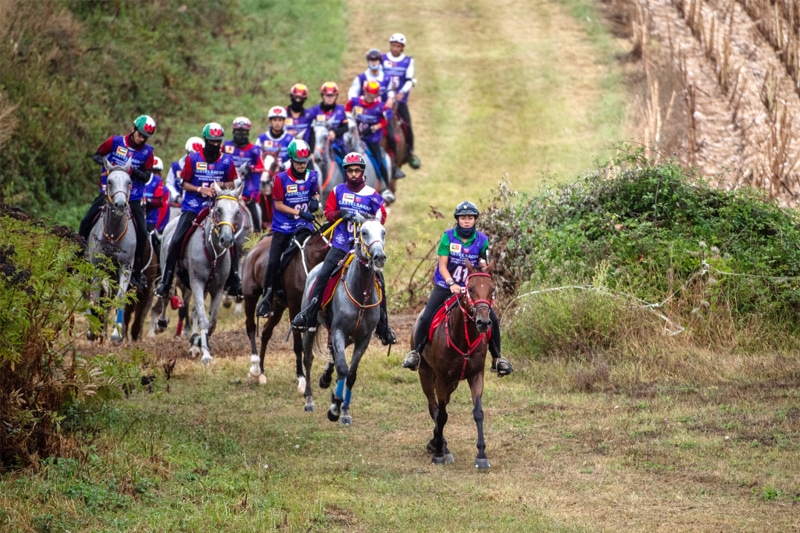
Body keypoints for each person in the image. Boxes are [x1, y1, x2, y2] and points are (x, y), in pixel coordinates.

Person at [291, 152, 396, 346]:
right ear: (345, 172)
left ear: (362, 172)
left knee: (379, 281)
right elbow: (328, 213)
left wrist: (366, 218)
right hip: (341, 243)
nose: (353, 174)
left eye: (357, 170)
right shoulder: (337, 191)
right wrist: (341, 213)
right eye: (350, 171)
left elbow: (381, 218)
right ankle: (310, 314)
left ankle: (383, 327)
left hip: (363, 248)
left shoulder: (372, 194)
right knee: (323, 274)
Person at [401, 201, 513, 376]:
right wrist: (451, 283)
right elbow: (442, 266)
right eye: (463, 218)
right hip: (446, 286)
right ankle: (415, 353)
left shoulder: (482, 240)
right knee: (427, 316)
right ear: (458, 219)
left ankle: (497, 358)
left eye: (470, 218)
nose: (466, 221)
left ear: (475, 220)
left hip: (471, 290)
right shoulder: (448, 237)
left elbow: (483, 264)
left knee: (492, 319)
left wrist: (483, 266)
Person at [156, 123, 239, 298]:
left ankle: (234, 280)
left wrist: (220, 185)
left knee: (231, 240)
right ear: (205, 140)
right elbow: (183, 183)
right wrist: (200, 189)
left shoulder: (226, 161)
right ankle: (166, 279)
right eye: (211, 141)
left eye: (218, 141)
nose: (215, 145)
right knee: (176, 239)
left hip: (216, 209)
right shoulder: (193, 159)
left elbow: (232, 183)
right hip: (193, 206)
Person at [78, 114, 156, 290]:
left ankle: (136, 271)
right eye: (140, 134)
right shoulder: (115, 142)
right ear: (134, 129)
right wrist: (109, 165)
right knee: (86, 221)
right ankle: (77, 256)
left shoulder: (147, 152)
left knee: (142, 231)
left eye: (145, 137)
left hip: (132, 197)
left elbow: (147, 176)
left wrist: (133, 171)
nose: (142, 139)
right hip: (109, 193)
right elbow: (97, 155)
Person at [255, 139, 320, 318]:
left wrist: (315, 200)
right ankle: (267, 297)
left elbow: (314, 192)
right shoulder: (280, 179)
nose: (301, 165)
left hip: (305, 226)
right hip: (284, 227)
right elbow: (278, 205)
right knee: (273, 260)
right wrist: (299, 212)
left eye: (304, 162)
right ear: (291, 159)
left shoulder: (312, 176)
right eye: (298, 162)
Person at [348, 48, 403, 179]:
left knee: (391, 136)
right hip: (363, 112)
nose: (374, 63)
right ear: (368, 61)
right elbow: (352, 93)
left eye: (376, 60)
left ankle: (394, 165)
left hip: (381, 112)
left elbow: (390, 92)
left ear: (379, 61)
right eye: (371, 60)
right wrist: (357, 104)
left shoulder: (386, 77)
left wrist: (390, 98)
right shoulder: (361, 78)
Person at [345, 80, 395, 202]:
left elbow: (384, 121)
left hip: (371, 139)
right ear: (364, 92)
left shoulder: (380, 106)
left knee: (379, 159)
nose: (370, 97)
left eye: (373, 96)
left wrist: (373, 128)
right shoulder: (354, 102)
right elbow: (346, 113)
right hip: (355, 137)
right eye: (368, 94)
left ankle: (386, 187)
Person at [383, 33, 421, 169]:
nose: (395, 48)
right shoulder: (382, 59)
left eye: (398, 46)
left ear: (402, 48)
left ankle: (409, 153)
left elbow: (410, 80)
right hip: (384, 100)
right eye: (393, 45)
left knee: (407, 125)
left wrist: (402, 92)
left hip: (400, 101)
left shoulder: (408, 61)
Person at [223, 116, 265, 229]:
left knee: (254, 211)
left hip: (246, 190)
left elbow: (261, 167)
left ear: (248, 132)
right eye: (238, 131)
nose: (240, 134)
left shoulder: (254, 150)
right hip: (227, 187)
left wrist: (250, 168)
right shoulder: (226, 147)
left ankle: (257, 232)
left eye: (244, 132)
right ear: (233, 131)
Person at [306, 81, 349, 172]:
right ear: (323, 96)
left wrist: (335, 132)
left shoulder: (341, 110)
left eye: (332, 96)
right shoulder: (314, 110)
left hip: (337, 144)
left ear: (336, 96)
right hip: (318, 146)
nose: (329, 98)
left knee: (349, 165)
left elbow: (346, 127)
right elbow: (309, 128)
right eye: (327, 96)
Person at [166, 136, 204, 214]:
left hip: (197, 207)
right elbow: (169, 183)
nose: (194, 158)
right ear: (187, 152)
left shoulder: (206, 168)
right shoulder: (176, 166)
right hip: (176, 206)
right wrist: (176, 196)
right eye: (192, 155)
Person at [285, 83, 315, 153]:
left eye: (300, 98)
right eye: (296, 97)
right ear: (291, 97)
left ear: (304, 99)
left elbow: (312, 135)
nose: (297, 101)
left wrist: (312, 152)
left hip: (304, 152)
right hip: (285, 152)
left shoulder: (309, 115)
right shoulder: (283, 114)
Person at [143, 156, 170, 233]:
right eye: (150, 171)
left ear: (160, 174)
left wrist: (157, 229)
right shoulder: (138, 184)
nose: (152, 175)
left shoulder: (164, 190)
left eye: (155, 172)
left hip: (153, 226)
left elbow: (163, 212)